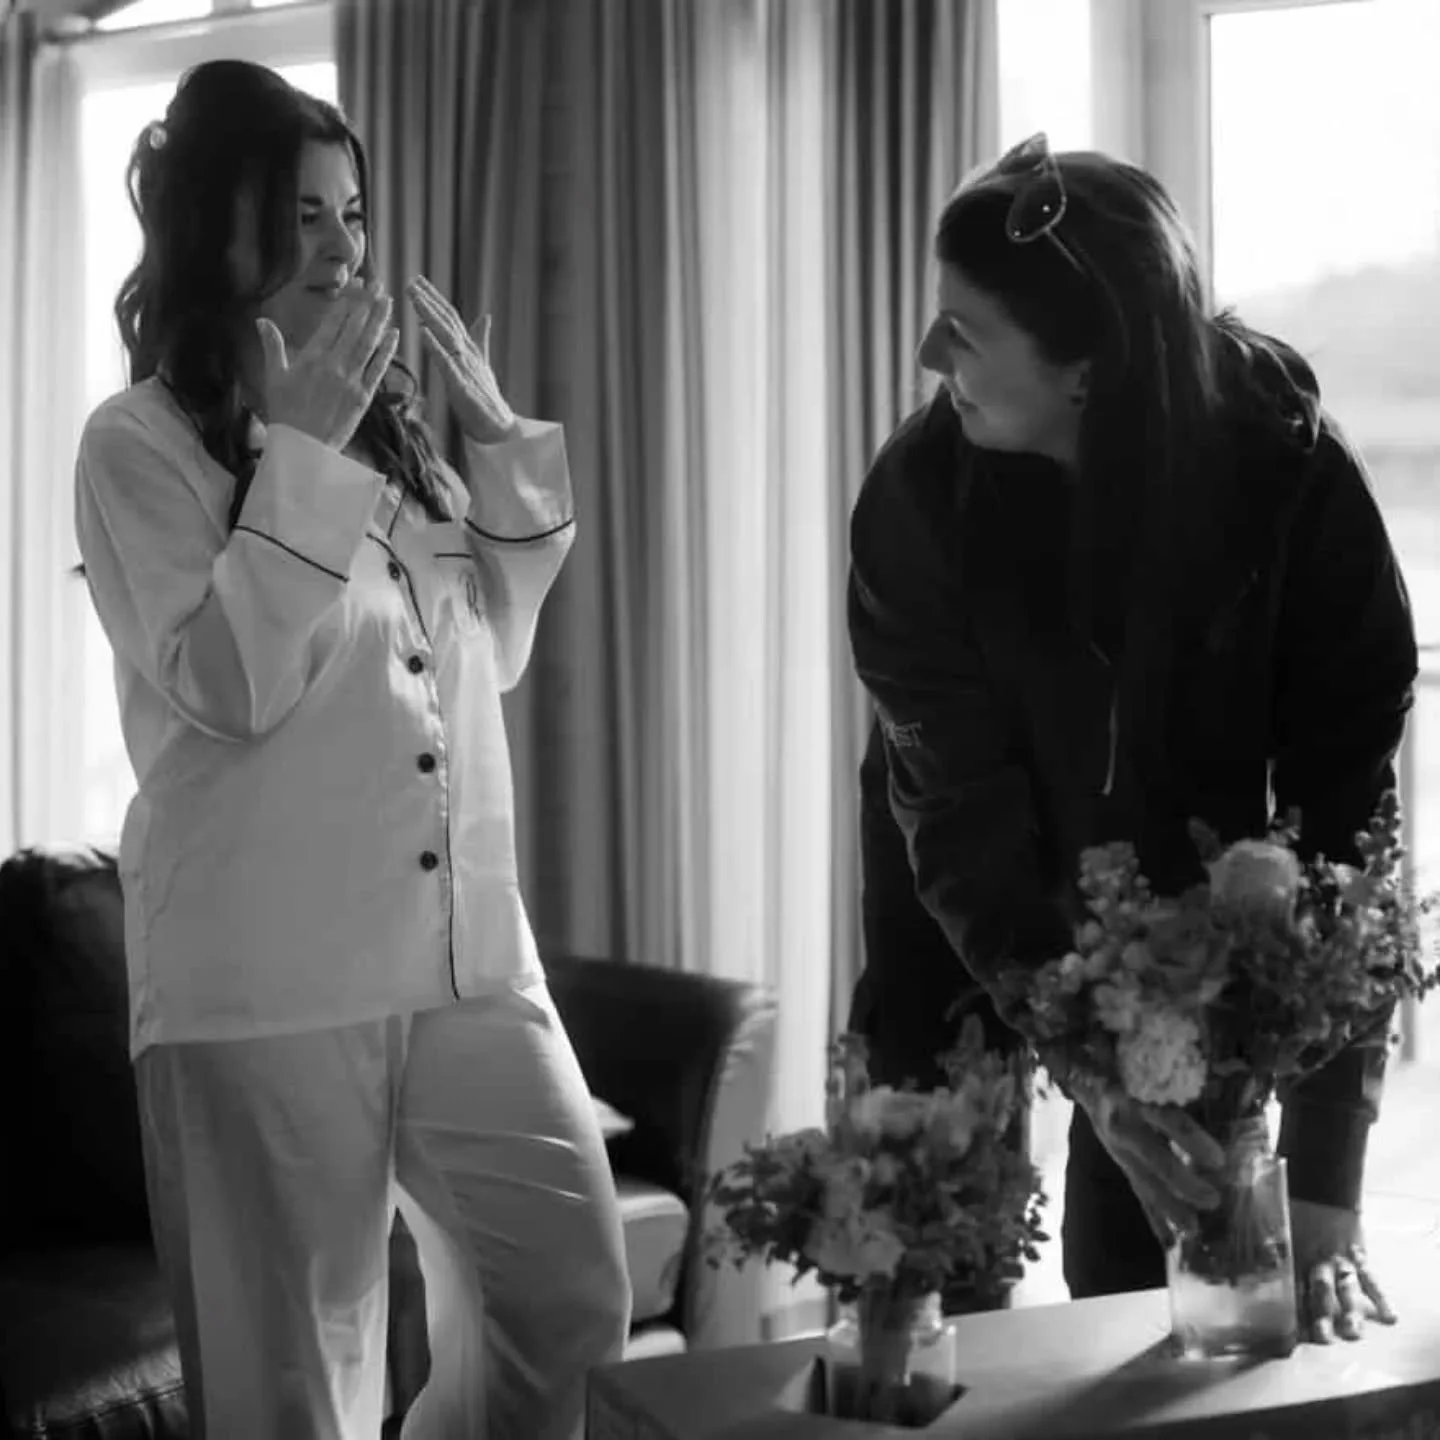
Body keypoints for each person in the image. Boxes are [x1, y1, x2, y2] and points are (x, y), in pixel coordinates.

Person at [74, 60, 630, 1439]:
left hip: (464, 955)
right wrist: (304, 462)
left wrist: (494, 447)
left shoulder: (387, 442)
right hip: (265, 980)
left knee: (569, 1293)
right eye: (306, 216)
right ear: (219, 232)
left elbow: (489, 653)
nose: (345, 248)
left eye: (354, 214)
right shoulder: (136, 447)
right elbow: (230, 684)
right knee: (292, 1390)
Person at [847, 133, 1417, 1344]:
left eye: (966, 330)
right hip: (962, 884)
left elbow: (1346, 815)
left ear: (1090, 368)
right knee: (930, 1268)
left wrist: (1324, 1180)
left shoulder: (1286, 471)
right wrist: (1086, 1065)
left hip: (1192, 904)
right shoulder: (917, 502)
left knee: (1184, 1251)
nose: (926, 356)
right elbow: (958, 814)